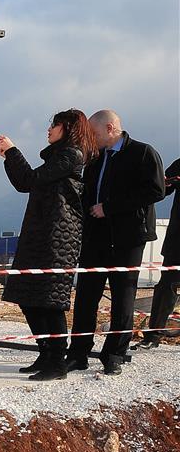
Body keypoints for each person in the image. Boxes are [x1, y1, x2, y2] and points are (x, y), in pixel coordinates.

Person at [0, 109, 97, 381]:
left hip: (57, 238)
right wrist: (9, 157)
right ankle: (46, 351)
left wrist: (13, 151)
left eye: (54, 124)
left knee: (50, 300)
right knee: (27, 295)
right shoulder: (58, 157)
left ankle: (57, 361)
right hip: (40, 235)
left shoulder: (71, 154)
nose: (49, 129)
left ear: (68, 128)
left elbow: (30, 179)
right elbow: (23, 182)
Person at [66, 110, 165, 375]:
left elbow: (156, 190)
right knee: (86, 295)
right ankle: (78, 353)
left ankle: (115, 354)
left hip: (129, 237)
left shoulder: (143, 153)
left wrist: (110, 208)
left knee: (123, 296)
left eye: (94, 134)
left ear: (110, 128)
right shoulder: (95, 159)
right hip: (96, 236)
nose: (91, 139)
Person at [132, 157, 179, 350]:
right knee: (167, 286)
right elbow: (160, 188)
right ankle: (153, 335)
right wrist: (166, 181)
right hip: (178, 241)